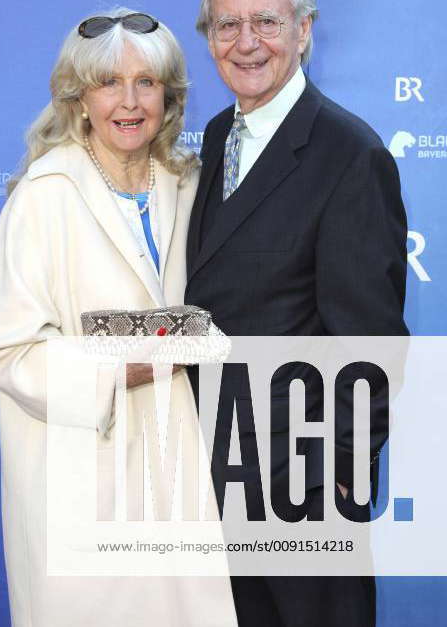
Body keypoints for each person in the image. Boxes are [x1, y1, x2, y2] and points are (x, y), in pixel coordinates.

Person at [0, 8, 237, 627]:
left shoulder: (189, 184)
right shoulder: (45, 195)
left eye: (146, 82)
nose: (129, 101)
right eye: (108, 83)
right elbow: (6, 352)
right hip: (82, 485)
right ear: (77, 96)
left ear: (169, 96)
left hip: (181, 483)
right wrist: (142, 363)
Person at [185, 0, 409, 626]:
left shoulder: (350, 154)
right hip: (213, 481)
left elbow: (374, 343)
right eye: (228, 24)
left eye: (267, 22)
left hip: (302, 494)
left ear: (304, 31)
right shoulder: (215, 137)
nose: (247, 42)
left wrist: (338, 474)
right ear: (209, 40)